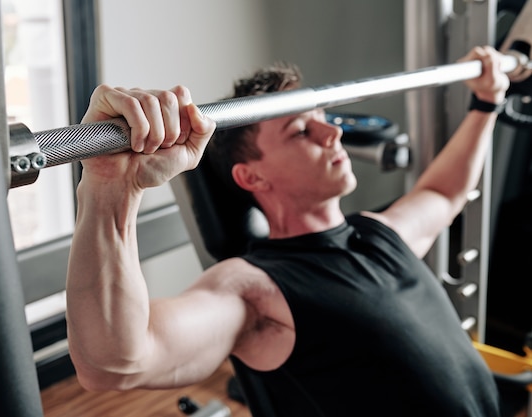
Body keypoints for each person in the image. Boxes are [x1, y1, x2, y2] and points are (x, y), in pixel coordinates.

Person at [65, 46, 514, 416]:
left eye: (324, 116)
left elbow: (444, 191)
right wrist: (110, 187)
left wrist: (487, 102)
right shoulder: (253, 289)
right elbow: (115, 363)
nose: (331, 132)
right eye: (301, 130)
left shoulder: (380, 233)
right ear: (252, 178)